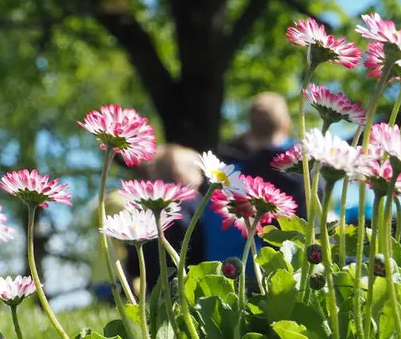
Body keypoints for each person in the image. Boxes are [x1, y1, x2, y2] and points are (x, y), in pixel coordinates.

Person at [205, 92, 308, 268]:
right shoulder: (306, 172)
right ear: (287, 125)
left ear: (250, 128)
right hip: (285, 272)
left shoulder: (225, 176)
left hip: (224, 271)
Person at [123, 144, 206, 294]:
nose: (202, 178)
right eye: (199, 172)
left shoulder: (143, 210)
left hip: (155, 290)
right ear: (184, 173)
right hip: (193, 285)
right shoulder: (196, 204)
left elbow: (132, 265)